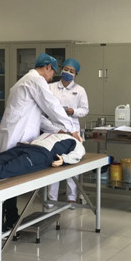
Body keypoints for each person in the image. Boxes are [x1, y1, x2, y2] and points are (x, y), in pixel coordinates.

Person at [0, 53, 72, 237]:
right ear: (48, 67)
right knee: (2, 182)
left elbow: (39, 118)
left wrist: (60, 130)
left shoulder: (24, 82)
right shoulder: (35, 80)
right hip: (15, 139)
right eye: (53, 72)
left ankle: (10, 219)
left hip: (14, 137)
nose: (52, 76)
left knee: (8, 182)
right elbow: (52, 106)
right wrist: (70, 128)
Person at [0, 132, 84, 183]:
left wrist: (63, 160)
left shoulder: (76, 143)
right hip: (26, 146)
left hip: (43, 154)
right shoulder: (54, 133)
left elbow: (77, 155)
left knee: (17, 165)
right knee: (0, 158)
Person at [41, 58, 89, 208]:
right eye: (66, 69)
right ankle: (52, 199)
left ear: (76, 74)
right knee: (54, 162)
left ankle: (71, 198)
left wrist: (72, 111)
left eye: (71, 71)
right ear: (61, 69)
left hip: (72, 130)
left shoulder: (80, 90)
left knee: (72, 163)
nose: (68, 72)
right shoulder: (50, 87)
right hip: (54, 129)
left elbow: (85, 110)